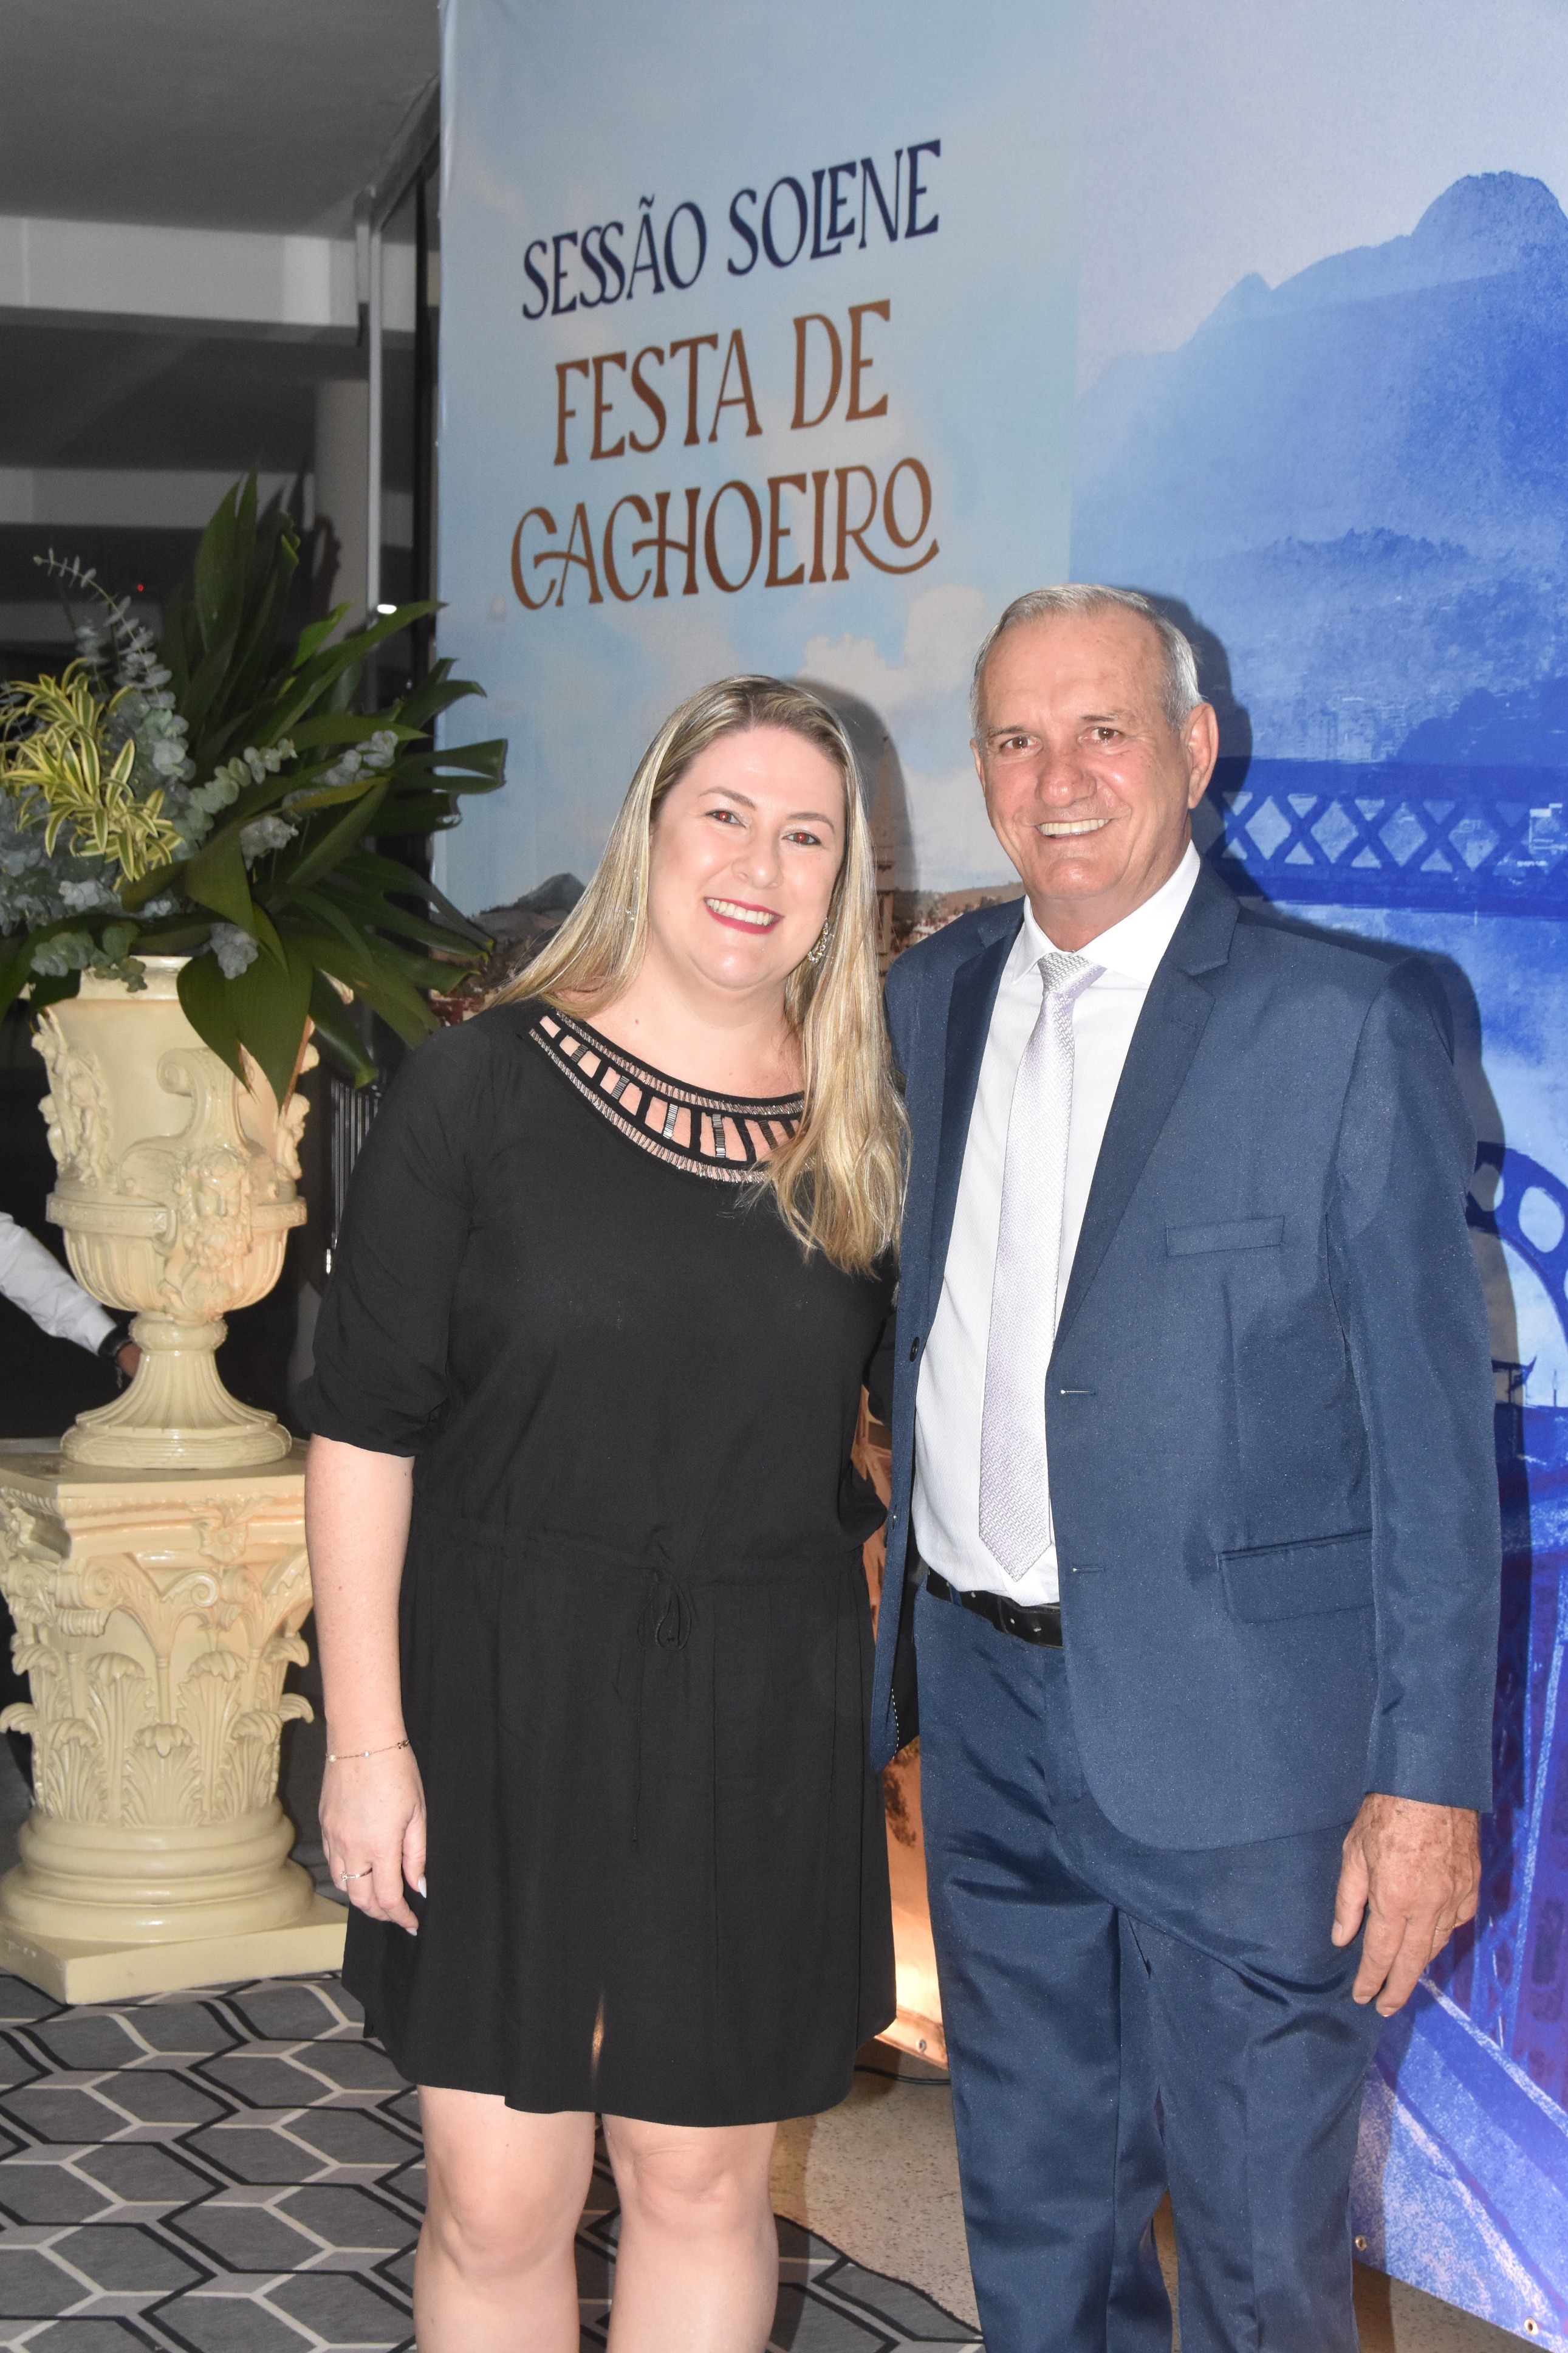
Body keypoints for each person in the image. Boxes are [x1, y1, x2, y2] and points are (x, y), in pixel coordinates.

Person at [869, 585, 1500, 2353]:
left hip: (1249, 1756)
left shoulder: (1345, 1022)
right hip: (985, 1718)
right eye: (1016, 739)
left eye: (1105, 730)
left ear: (1197, 746)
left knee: (1256, 2264)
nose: (1058, 777)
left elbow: (1434, 1444)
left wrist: (1428, 1786)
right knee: (1037, 2222)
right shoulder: (933, 999)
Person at [300, 676, 903, 2353]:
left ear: (844, 877)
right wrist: (366, 1744)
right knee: (502, 2199)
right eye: (727, 816)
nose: (760, 867)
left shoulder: (867, 1128)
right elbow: (362, 1433)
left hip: (758, 1713)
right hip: (504, 1696)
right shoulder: (477, 1088)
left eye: (808, 836)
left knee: (700, 2183)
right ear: (651, 829)